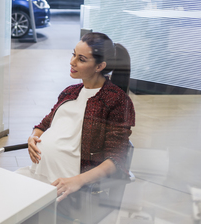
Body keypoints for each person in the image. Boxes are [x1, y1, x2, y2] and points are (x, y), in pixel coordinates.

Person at [17, 32, 135, 204]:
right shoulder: (70, 91)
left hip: (67, 188)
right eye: (73, 54)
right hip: (38, 175)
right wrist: (33, 137)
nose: (72, 62)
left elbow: (116, 159)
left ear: (99, 66)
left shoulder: (116, 100)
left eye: (81, 59)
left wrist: (77, 181)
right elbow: (44, 124)